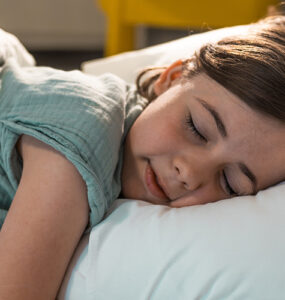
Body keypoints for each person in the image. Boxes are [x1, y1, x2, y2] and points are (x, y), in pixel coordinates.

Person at [0, 11, 284, 300]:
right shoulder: (85, 129)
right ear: (171, 79)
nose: (188, 172)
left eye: (229, 183)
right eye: (196, 129)